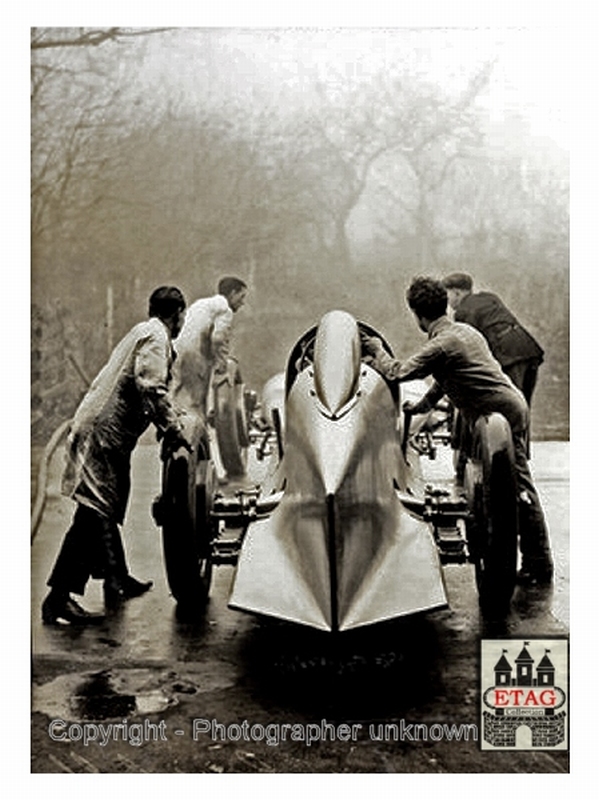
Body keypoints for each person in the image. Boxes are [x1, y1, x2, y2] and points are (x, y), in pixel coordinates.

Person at [363, 276, 553, 586]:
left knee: (519, 488)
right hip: (508, 407)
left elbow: (397, 372)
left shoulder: (441, 343)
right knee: (507, 489)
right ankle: (533, 561)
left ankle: (539, 565)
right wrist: (424, 405)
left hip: (501, 415)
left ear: (417, 315)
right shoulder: (464, 333)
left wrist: (375, 349)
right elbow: (446, 377)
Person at [42, 286, 190, 625]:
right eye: (183, 315)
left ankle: (115, 576)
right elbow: (151, 386)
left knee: (109, 502)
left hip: (104, 431)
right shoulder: (156, 337)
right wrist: (172, 429)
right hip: (103, 435)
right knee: (93, 512)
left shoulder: (144, 330)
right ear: (178, 313)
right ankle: (58, 598)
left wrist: (166, 420)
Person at [442, 273, 544, 405]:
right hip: (529, 350)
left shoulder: (462, 312)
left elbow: (471, 350)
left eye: (447, 295)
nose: (447, 301)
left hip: (509, 356)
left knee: (512, 406)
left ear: (457, 293)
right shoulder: (489, 297)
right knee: (523, 405)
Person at [170, 276, 247, 444]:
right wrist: (222, 366)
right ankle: (198, 447)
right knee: (196, 403)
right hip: (195, 354)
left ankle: (174, 437)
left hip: (176, 350)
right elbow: (218, 338)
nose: (242, 304)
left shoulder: (202, 303)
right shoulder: (224, 309)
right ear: (232, 293)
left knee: (177, 399)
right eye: (241, 297)